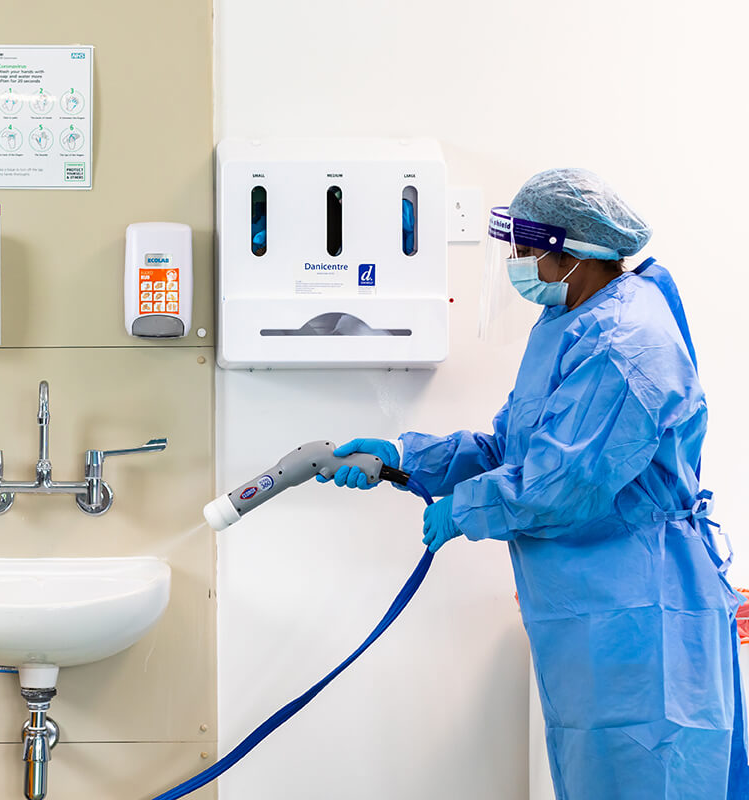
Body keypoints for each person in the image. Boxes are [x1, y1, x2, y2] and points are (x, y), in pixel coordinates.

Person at [321, 168, 749, 799]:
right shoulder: (572, 322)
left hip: (641, 612)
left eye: (525, 252)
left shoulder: (623, 342)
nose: (517, 266)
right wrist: (404, 460)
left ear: (573, 253)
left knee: (651, 776)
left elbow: (562, 482)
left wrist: (464, 508)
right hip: (592, 612)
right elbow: (513, 449)